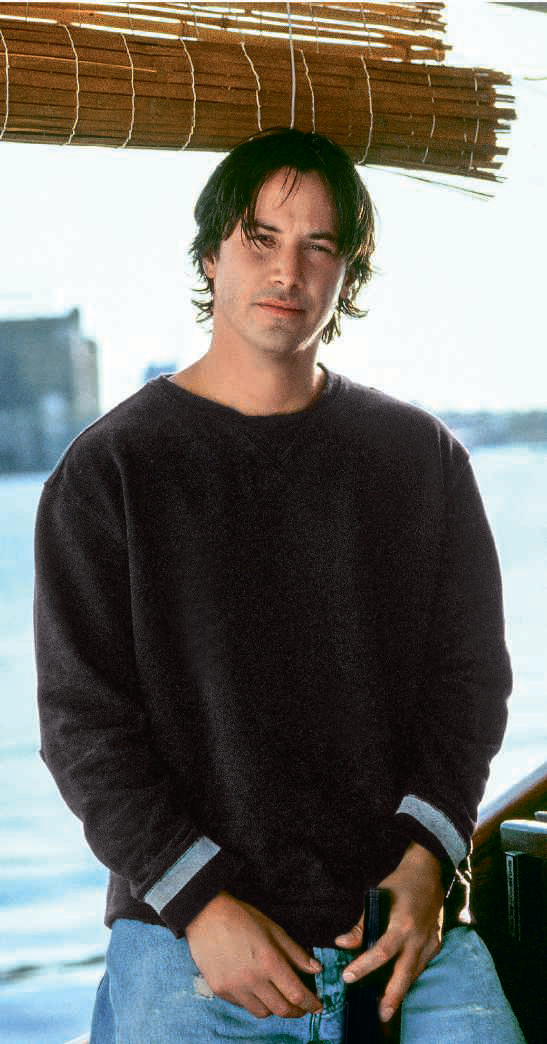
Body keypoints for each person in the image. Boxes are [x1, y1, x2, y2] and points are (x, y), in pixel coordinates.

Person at [34, 128, 525, 1043]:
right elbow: (83, 728)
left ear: (349, 271)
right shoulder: (112, 470)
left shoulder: (420, 458)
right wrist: (200, 905)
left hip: (397, 930)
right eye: (259, 238)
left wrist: (430, 856)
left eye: (318, 245)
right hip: (192, 941)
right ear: (209, 254)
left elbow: (467, 682)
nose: (287, 270)